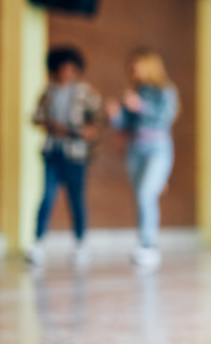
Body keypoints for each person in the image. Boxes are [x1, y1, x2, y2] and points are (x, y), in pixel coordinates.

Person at [26, 47, 102, 268]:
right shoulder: (49, 91)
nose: (66, 72)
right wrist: (50, 126)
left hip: (75, 154)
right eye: (61, 68)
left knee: (76, 199)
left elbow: (97, 120)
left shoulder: (86, 92)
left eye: (70, 68)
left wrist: (87, 131)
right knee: (47, 197)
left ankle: (80, 243)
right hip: (52, 151)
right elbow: (36, 117)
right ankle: (38, 242)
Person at [106, 49, 179, 268]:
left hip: (157, 146)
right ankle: (143, 242)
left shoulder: (165, 91)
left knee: (147, 191)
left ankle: (149, 245)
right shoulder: (133, 91)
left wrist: (140, 106)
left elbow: (165, 117)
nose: (134, 70)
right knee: (141, 196)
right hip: (135, 148)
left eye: (137, 65)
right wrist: (115, 116)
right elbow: (125, 124)